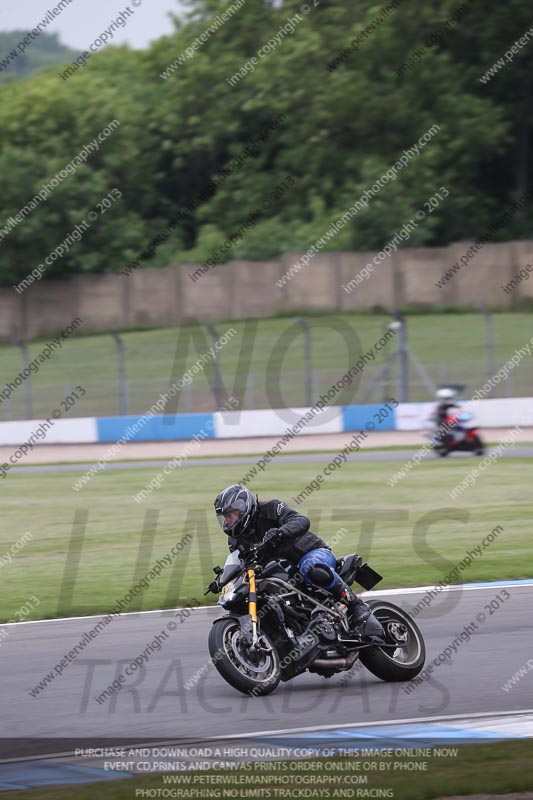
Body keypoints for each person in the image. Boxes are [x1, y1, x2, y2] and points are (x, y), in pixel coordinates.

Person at [212, 483, 371, 627]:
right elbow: (241, 563)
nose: (227, 521)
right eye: (225, 517)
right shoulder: (235, 540)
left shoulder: (271, 508)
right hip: (282, 569)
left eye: (230, 515)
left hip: (312, 553)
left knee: (310, 567)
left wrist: (280, 533)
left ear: (243, 508)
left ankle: (355, 604)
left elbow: (301, 520)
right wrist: (223, 581)